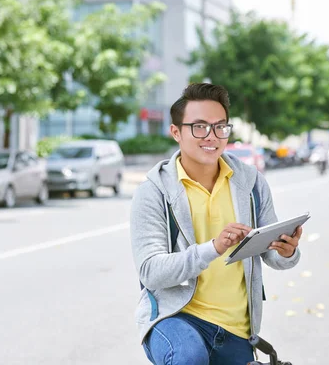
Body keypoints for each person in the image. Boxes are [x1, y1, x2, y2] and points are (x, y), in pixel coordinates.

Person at [130, 83, 303, 365]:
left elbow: (272, 255)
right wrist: (213, 247)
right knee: (189, 358)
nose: (212, 136)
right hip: (177, 318)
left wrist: (286, 251)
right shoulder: (154, 191)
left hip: (237, 330)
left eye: (220, 127)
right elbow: (150, 272)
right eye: (199, 127)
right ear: (176, 132)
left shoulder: (250, 181)